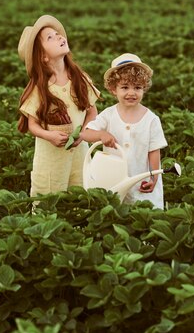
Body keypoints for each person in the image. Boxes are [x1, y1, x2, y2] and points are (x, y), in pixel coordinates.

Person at [17, 15, 101, 198]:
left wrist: (84, 132)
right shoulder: (40, 88)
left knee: (80, 195)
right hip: (51, 159)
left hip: (79, 153)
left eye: (57, 34)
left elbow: (92, 112)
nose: (59, 37)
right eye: (50, 38)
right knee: (49, 198)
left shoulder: (80, 78)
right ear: (43, 56)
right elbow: (32, 125)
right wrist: (50, 136)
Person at [80, 53, 168, 209]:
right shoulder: (108, 115)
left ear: (144, 88)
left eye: (137, 88)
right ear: (114, 89)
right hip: (112, 178)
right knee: (114, 211)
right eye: (125, 87)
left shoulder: (151, 120)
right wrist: (101, 134)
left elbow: (154, 152)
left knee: (143, 214)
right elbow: (85, 133)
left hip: (140, 180)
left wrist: (154, 178)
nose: (131, 93)